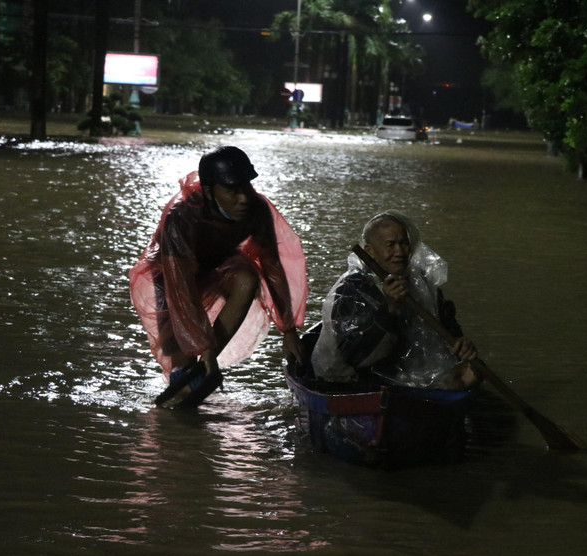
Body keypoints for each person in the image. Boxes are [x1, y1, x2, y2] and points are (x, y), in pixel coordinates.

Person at [129, 146, 307, 406]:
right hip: (170, 277)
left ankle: (205, 366)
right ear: (210, 191)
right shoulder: (182, 218)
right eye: (232, 190)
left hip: (218, 267)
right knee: (182, 358)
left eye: (245, 187)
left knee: (248, 277)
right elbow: (182, 289)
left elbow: (273, 267)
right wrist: (201, 346)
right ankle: (185, 383)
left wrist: (288, 330)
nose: (243, 198)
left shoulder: (256, 209)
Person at [311, 211, 478, 389]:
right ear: (370, 251)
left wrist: (461, 345)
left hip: (409, 373)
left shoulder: (421, 284)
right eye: (390, 245)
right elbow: (355, 356)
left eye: (404, 244)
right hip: (359, 378)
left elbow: (448, 328)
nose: (399, 252)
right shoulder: (352, 289)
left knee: (474, 372)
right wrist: (389, 309)